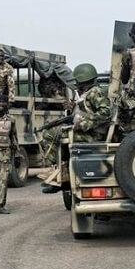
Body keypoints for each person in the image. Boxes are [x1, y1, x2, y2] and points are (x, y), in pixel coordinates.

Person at [40, 63, 111, 194]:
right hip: (85, 132)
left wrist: (84, 124)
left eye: (77, 81)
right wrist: (72, 109)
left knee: (49, 135)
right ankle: (62, 175)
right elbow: (85, 112)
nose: (76, 84)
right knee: (55, 135)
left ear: (83, 81)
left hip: (92, 135)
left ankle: (58, 175)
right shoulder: (86, 94)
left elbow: (106, 113)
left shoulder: (95, 92)